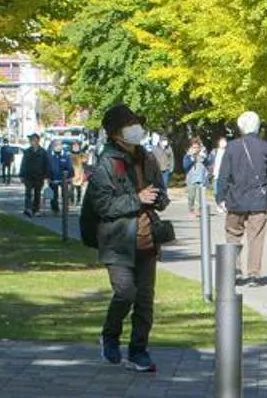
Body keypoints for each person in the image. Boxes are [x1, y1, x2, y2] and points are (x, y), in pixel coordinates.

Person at [86, 102, 169, 374]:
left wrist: (159, 199)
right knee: (125, 292)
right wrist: (137, 198)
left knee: (145, 300)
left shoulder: (148, 158)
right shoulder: (106, 164)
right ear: (115, 134)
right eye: (128, 125)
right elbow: (103, 205)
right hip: (117, 241)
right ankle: (110, 336)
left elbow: (161, 192)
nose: (135, 129)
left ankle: (138, 351)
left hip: (147, 239)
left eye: (136, 123)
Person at [215, 110, 267, 286]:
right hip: (258, 200)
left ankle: (234, 271)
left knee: (232, 235)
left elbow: (224, 175)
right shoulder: (266, 147)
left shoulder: (232, 147)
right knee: (256, 237)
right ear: (258, 127)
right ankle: (254, 274)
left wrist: (220, 197)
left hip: (235, 198)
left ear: (240, 127)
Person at [20, 132, 51, 214]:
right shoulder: (27, 151)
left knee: (37, 194)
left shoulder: (43, 152)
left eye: (32, 140)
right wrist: (21, 175)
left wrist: (47, 176)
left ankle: (36, 209)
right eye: (30, 140)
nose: (31, 141)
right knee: (28, 193)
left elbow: (46, 164)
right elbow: (23, 163)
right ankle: (27, 208)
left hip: (39, 176)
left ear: (37, 141)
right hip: (28, 176)